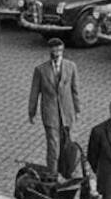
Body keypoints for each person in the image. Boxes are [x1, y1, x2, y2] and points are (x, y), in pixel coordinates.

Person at [28, 38, 80, 173]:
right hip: (50, 114)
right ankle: (53, 174)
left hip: (67, 113)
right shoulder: (41, 70)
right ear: (49, 51)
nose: (57, 53)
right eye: (54, 50)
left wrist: (77, 110)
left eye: (59, 50)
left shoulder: (71, 66)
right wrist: (32, 112)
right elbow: (34, 92)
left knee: (68, 144)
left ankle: (67, 170)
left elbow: (75, 90)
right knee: (53, 146)